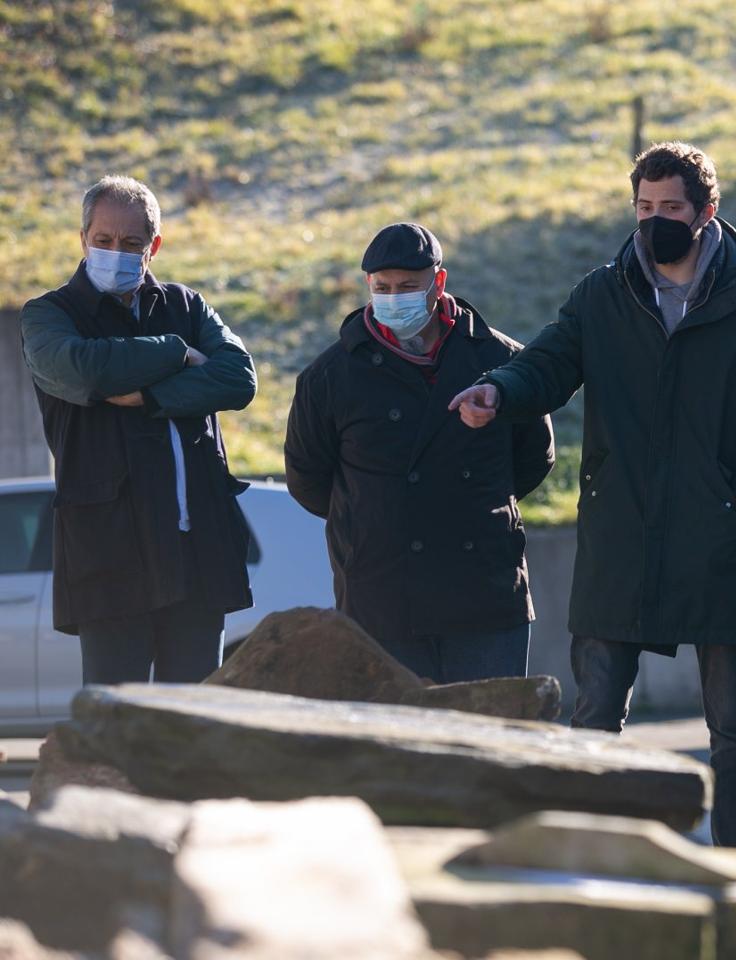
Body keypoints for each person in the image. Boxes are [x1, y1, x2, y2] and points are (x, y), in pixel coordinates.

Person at [449, 142, 736, 849]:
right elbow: (550, 362)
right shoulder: (602, 293)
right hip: (621, 539)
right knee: (595, 724)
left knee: (732, 732)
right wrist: (499, 389)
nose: (655, 222)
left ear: (707, 212)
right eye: (644, 208)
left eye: (671, 208)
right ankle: (594, 862)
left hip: (718, 545)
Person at [284, 223, 554, 683]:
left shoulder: (502, 359)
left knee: (488, 743)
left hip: (483, 591)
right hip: (381, 595)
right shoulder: (331, 375)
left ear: (439, 283)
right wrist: (372, 520)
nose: (394, 298)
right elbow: (308, 479)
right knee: (396, 747)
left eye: (408, 287)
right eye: (382, 288)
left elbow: (534, 457)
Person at [20, 175, 256, 684]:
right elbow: (82, 369)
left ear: (155, 246)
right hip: (109, 557)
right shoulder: (49, 315)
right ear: (82, 238)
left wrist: (150, 395)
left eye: (131, 244)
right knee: (115, 727)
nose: (115, 253)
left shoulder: (186, 304)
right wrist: (175, 353)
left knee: (193, 727)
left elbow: (238, 377)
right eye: (103, 241)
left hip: (196, 554)